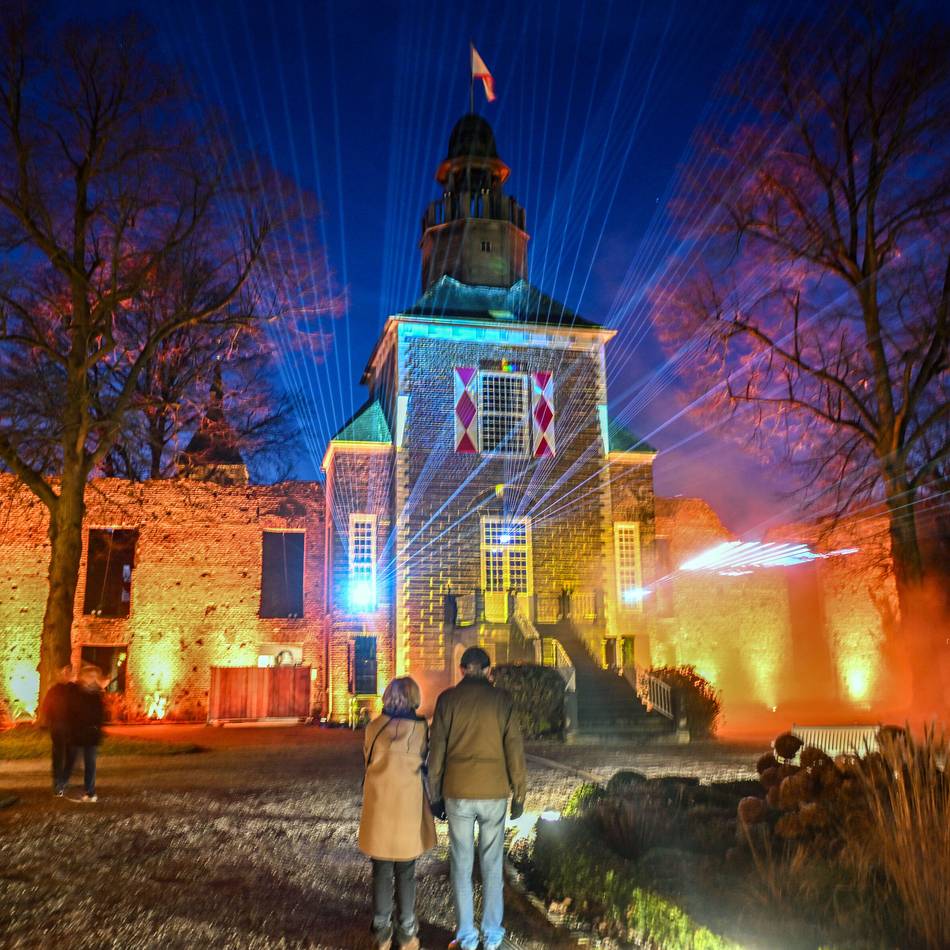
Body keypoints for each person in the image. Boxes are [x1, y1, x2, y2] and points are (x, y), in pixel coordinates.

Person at [427, 647, 527, 950]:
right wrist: (519, 794)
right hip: (494, 791)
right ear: (487, 670)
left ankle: (467, 936)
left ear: (462, 670)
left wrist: (435, 794)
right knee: (492, 863)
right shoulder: (502, 701)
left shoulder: (447, 700)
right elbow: (514, 750)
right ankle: (493, 934)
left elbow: (437, 752)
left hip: (457, 791)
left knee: (461, 863)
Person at [359, 676, 436, 950]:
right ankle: (407, 933)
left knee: (380, 870)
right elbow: (427, 760)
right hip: (408, 806)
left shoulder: (373, 728)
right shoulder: (420, 730)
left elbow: (366, 758)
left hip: (380, 805)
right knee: (406, 871)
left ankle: (381, 933)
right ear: (414, 697)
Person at [64, 663, 106, 803]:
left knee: (90, 764)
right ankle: (63, 785)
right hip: (77, 733)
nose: (93, 679)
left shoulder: (97, 694)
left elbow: (100, 714)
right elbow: (71, 712)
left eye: (95, 676)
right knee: (71, 761)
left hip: (91, 734)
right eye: (90, 676)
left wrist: (97, 729)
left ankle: (90, 792)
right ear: (83, 677)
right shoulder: (75, 691)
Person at [40, 663, 78, 797]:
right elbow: (46, 707)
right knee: (58, 755)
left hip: (73, 728)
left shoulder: (76, 690)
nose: (67, 674)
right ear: (60, 674)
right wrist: (49, 721)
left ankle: (65, 778)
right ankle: (57, 781)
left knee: (72, 754)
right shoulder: (54, 690)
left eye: (69, 672)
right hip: (58, 727)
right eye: (64, 672)